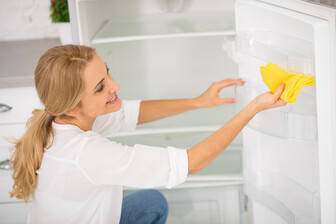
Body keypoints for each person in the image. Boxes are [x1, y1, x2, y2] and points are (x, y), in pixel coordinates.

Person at [10, 45, 286, 224]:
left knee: (151, 202)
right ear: (71, 106)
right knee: (152, 202)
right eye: (100, 87)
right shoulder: (86, 154)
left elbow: (132, 113)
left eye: (107, 72)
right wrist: (254, 108)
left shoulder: (58, 121)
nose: (115, 85)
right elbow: (192, 162)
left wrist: (198, 101)